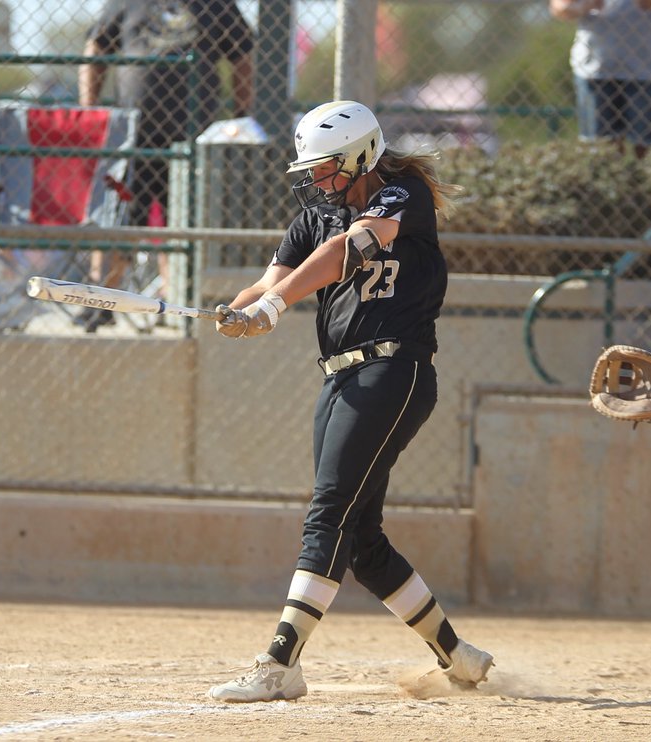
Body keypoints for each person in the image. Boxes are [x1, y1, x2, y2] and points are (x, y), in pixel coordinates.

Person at [206, 101, 493, 702]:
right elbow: (269, 279)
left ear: (362, 154)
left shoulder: (400, 193)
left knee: (328, 512)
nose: (317, 178)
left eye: (329, 166)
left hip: (395, 370)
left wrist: (277, 304)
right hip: (341, 379)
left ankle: (282, 663)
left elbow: (351, 249)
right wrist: (241, 309)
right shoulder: (316, 214)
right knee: (360, 539)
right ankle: (458, 657)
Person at [77, 0, 255, 332]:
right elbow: (97, 47)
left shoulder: (218, 5)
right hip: (134, 135)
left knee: (184, 222)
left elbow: (243, 56)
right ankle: (99, 302)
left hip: (193, 137)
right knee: (119, 217)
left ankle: (180, 307)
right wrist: (89, 110)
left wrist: (242, 114)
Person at [550, 0, 651, 159]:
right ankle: (608, 182)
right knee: (601, 150)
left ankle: (646, 182)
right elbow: (560, 8)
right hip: (597, 71)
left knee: (650, 150)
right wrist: (586, 4)